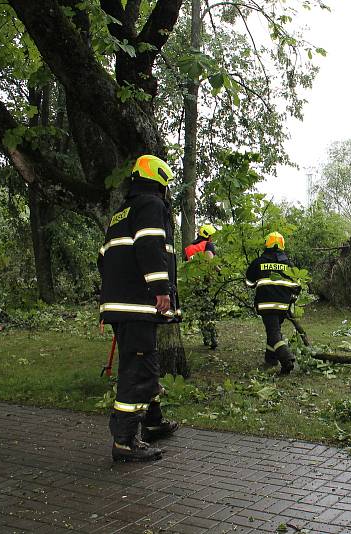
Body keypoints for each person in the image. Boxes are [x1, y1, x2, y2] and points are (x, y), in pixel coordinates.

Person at [98, 154, 180, 462]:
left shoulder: (121, 212)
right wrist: (161, 288)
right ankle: (125, 440)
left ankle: (153, 421)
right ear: (160, 180)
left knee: (144, 360)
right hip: (138, 303)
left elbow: (103, 258)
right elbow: (149, 246)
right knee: (138, 368)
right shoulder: (151, 204)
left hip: (122, 304)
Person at [244, 231, 302, 375]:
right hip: (283, 306)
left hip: (265, 304)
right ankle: (270, 359)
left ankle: (286, 358)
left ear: (267, 244)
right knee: (274, 331)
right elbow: (297, 285)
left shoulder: (258, 262)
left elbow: (249, 282)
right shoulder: (288, 264)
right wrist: (291, 299)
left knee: (274, 333)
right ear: (282, 245)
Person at [185, 224, 219, 349]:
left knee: (201, 309)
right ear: (208, 236)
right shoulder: (207, 245)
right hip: (206, 280)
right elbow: (211, 260)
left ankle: (205, 337)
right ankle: (213, 338)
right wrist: (220, 271)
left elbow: (186, 267)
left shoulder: (188, 248)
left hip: (194, 283)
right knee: (209, 309)